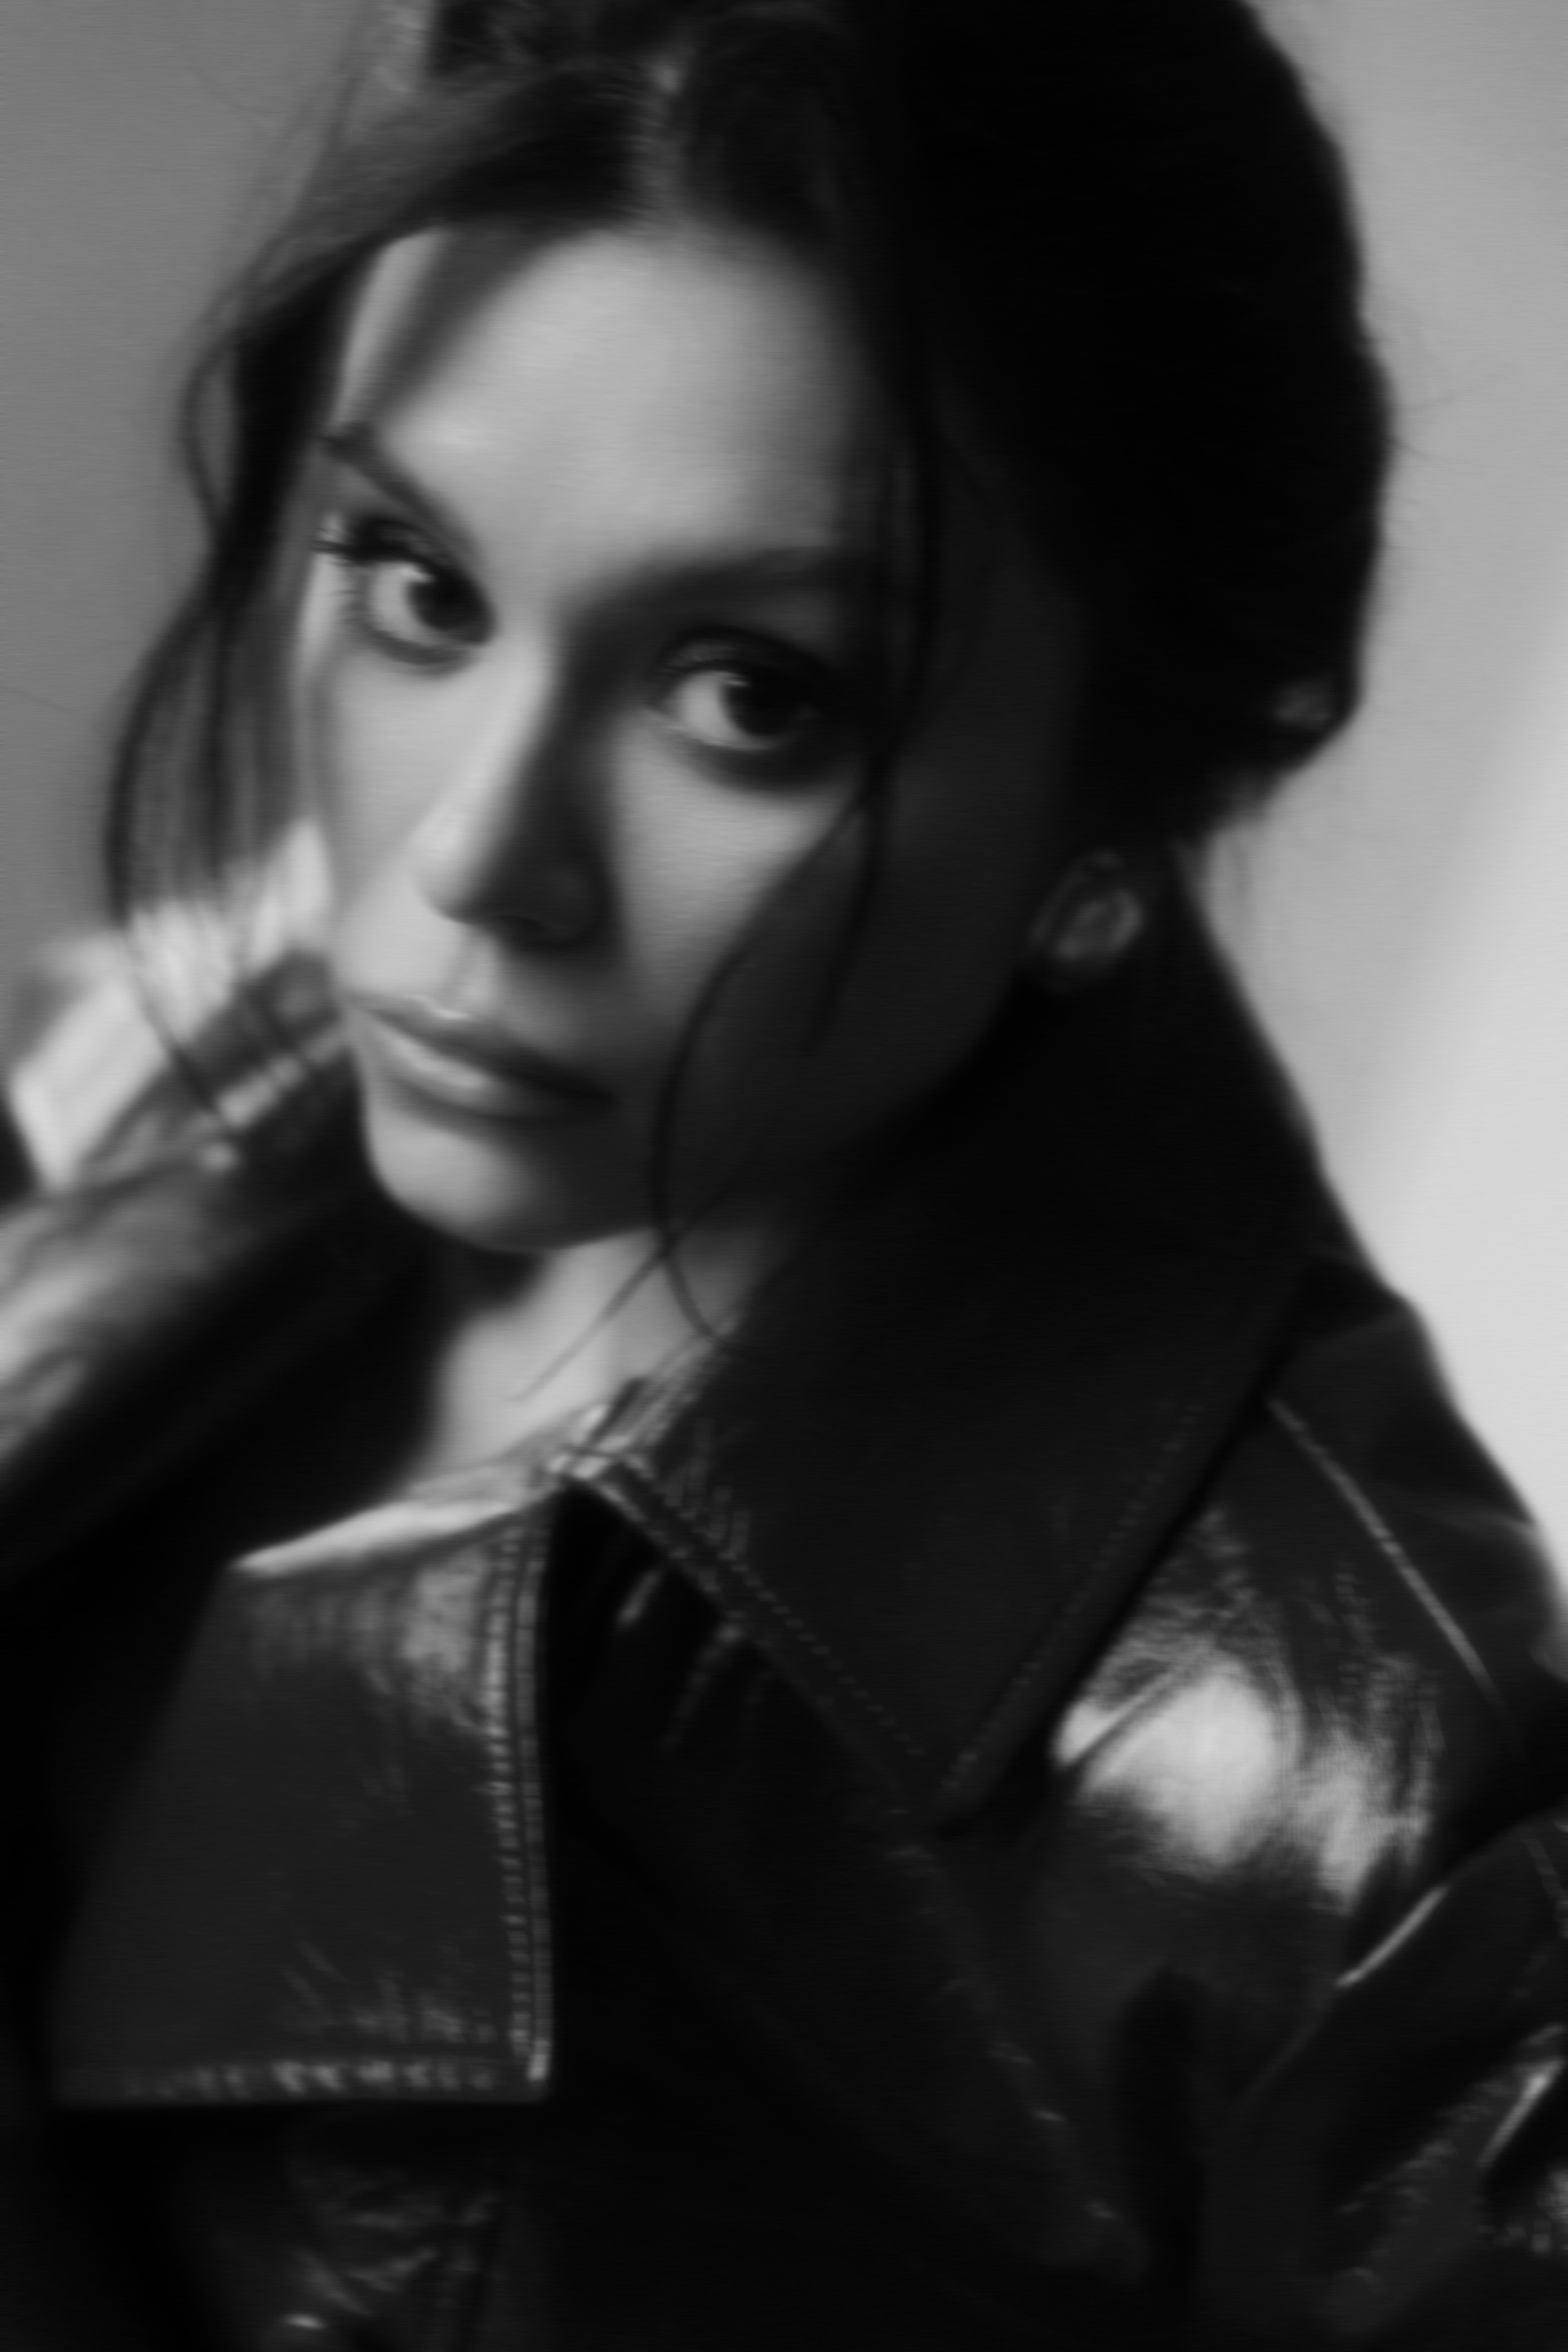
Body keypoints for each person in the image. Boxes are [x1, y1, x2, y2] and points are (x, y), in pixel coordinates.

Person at [2, 0, 1566, 2344]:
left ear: (1121, 812)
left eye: (751, 692)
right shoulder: (191, 1095)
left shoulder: (1373, 1852)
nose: (472, 858)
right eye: (418, 582)